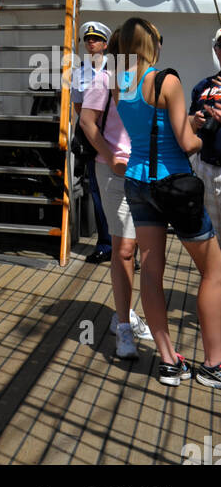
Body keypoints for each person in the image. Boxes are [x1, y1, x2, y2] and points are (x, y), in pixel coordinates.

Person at [113, 16, 221, 388]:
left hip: (137, 184)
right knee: (213, 272)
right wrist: (203, 128)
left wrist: (185, 121)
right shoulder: (167, 80)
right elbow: (187, 144)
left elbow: (149, 129)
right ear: (151, 44)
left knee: (152, 273)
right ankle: (214, 365)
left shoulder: (120, 83)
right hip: (173, 183)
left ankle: (168, 361)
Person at [78, 29, 151, 358]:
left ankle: (133, 314)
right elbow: (87, 122)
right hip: (115, 173)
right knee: (124, 249)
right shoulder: (104, 81)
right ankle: (123, 324)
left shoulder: (154, 82)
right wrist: (110, 157)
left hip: (149, 173)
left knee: (145, 251)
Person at [73, 20, 113, 263]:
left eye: (96, 39)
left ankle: (128, 247)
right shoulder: (79, 72)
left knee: (125, 195)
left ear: (105, 44)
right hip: (92, 137)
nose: (91, 42)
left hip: (117, 138)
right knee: (98, 192)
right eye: (88, 39)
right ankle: (106, 243)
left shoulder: (119, 70)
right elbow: (78, 106)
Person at [188, 27, 221, 239]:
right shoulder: (203, 85)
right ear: (216, 50)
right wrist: (195, 121)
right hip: (206, 166)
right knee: (211, 235)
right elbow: (188, 125)